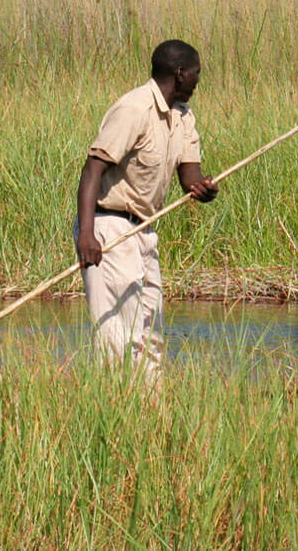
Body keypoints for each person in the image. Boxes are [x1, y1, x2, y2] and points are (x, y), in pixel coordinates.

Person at [74, 39, 218, 381]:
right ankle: (114, 403)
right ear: (180, 73)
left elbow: (190, 176)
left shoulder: (183, 115)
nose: (198, 80)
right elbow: (92, 170)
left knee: (151, 330)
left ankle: (151, 406)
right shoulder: (134, 109)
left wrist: (203, 189)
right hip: (108, 228)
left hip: (143, 231)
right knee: (117, 334)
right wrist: (88, 236)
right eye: (196, 73)